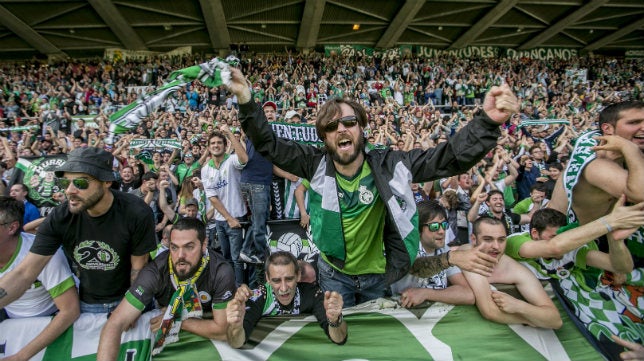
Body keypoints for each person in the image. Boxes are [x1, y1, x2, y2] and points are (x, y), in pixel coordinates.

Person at [229, 67, 515, 307]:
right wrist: (245, 98)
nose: (341, 129)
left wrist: (487, 123)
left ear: (361, 128)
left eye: (349, 122)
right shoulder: (313, 163)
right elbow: (267, 144)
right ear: (325, 138)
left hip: (378, 275)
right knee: (339, 334)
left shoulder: (391, 164)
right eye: (331, 126)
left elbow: (447, 158)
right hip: (334, 273)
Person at [0, 147, 157, 314]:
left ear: (106, 182)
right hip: (88, 301)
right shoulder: (60, 217)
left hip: (129, 297)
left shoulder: (136, 212)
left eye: (81, 183)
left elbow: (138, 268)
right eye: (64, 183)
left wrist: (131, 308)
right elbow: (25, 273)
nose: (69, 190)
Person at [548, 101, 644, 355]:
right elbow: (641, 194)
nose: (643, 128)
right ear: (608, 130)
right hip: (583, 255)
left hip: (616, 249)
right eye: (634, 123)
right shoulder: (596, 164)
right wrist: (630, 151)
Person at [97, 218, 236, 360]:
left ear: (204, 244)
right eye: (174, 247)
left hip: (207, 345)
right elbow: (115, 323)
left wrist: (174, 319)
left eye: (189, 247)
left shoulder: (220, 271)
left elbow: (223, 331)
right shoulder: (156, 271)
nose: (180, 256)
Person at [0, 196, 80, 361]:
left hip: (52, 319)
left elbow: (70, 311)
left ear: (12, 227)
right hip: (10, 322)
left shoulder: (41, 252)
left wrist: (21, 356)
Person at [225, 251, 346, 348]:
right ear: (267, 278)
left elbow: (339, 339)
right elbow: (237, 343)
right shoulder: (259, 297)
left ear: (298, 275)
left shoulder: (312, 294)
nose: (283, 288)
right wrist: (235, 326)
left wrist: (335, 320)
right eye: (276, 280)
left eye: (289, 279)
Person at [462, 216, 563, 329]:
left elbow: (555, 320)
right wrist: (529, 320)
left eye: (501, 240)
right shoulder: (468, 256)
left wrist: (519, 306)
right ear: (474, 239)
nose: (496, 246)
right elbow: (489, 311)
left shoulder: (515, 269)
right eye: (488, 239)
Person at [392, 200, 474, 307]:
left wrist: (426, 293)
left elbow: (468, 294)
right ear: (418, 229)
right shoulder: (406, 248)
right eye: (434, 226)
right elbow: (418, 267)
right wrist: (448, 259)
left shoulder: (444, 249)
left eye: (444, 225)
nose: (441, 231)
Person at [202, 125, 249, 286]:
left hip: (237, 216)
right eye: (212, 143)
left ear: (224, 145)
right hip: (221, 220)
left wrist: (229, 133)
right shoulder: (206, 169)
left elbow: (244, 159)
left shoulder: (231, 161)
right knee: (226, 257)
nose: (216, 145)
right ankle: (230, 288)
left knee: (237, 259)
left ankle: (240, 290)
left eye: (219, 143)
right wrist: (227, 218)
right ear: (208, 147)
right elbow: (212, 197)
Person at [238, 101, 276, 265]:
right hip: (256, 182)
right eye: (266, 111)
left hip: (260, 181)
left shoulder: (272, 131)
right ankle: (262, 256)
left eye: (272, 111)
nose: (269, 113)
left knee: (259, 219)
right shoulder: (257, 128)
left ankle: (247, 250)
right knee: (259, 222)